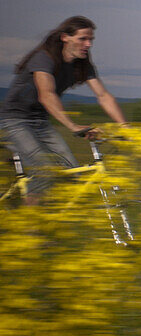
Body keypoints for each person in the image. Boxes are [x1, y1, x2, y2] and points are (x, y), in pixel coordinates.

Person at [0, 16, 128, 205]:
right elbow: (46, 95)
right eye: (82, 39)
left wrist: (125, 126)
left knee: (70, 171)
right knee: (45, 171)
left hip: (40, 121)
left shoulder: (83, 64)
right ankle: (29, 228)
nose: (88, 44)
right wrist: (72, 125)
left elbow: (103, 96)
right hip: (14, 120)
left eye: (91, 40)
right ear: (65, 37)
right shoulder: (44, 58)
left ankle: (54, 222)